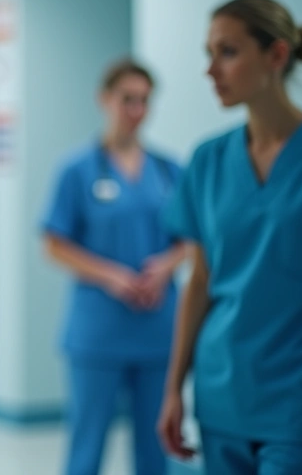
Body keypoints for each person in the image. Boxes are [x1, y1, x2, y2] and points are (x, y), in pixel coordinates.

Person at [158, 0, 302, 475]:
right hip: (221, 389)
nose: (210, 70)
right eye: (208, 53)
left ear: (277, 55)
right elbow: (200, 281)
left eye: (227, 52)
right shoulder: (207, 160)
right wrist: (172, 390)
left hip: (298, 394)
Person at [41, 59, 186, 475]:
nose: (136, 110)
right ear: (104, 100)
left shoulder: (168, 169)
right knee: (87, 446)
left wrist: (166, 266)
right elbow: (54, 245)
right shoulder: (77, 170)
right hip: (98, 332)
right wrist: (114, 276)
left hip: (158, 329)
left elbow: (192, 240)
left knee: (156, 449)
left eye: (144, 101)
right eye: (128, 100)